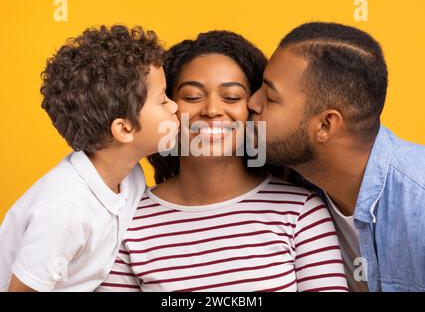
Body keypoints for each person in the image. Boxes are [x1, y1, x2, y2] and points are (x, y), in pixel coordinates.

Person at [97, 30, 348, 292]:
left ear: (255, 107)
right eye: (192, 97)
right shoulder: (128, 223)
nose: (212, 110)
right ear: (167, 107)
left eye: (232, 97)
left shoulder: (302, 212)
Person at [0, 25, 179, 291]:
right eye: (163, 100)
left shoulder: (130, 177)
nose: (175, 106)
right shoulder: (65, 210)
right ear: (124, 128)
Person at [248, 21, 425, 292]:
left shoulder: (418, 203)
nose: (252, 103)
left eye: (270, 97)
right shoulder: (292, 192)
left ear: (326, 125)